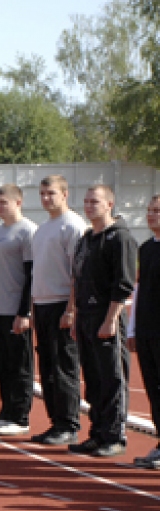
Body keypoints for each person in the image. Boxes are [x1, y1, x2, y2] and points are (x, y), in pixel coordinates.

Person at [68, 184, 136, 458]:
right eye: (85, 201)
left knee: (112, 378)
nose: (89, 206)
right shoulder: (85, 239)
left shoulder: (120, 239)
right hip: (85, 316)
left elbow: (124, 284)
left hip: (107, 317)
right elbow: (77, 278)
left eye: (94, 201)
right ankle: (97, 433)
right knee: (93, 379)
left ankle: (114, 435)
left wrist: (110, 320)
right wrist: (73, 313)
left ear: (110, 204)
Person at [30, 175, 86, 446]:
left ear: (65, 194)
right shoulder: (43, 229)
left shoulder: (73, 226)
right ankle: (56, 422)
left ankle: (68, 423)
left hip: (61, 303)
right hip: (41, 305)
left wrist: (71, 309)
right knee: (48, 366)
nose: (45, 198)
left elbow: (78, 273)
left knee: (64, 365)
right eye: (42, 193)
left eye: (51, 193)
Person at [0, 184, 36, 436]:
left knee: (19, 364)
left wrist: (24, 312)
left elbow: (31, 274)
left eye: (4, 203)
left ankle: (20, 416)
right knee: (3, 363)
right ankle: (6, 412)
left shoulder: (28, 231)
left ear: (18, 202)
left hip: (15, 310)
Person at [129, 194, 160, 469]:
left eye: (158, 211)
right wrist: (133, 327)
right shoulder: (146, 248)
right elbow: (139, 290)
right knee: (153, 389)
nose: (152, 215)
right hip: (147, 329)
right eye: (150, 210)